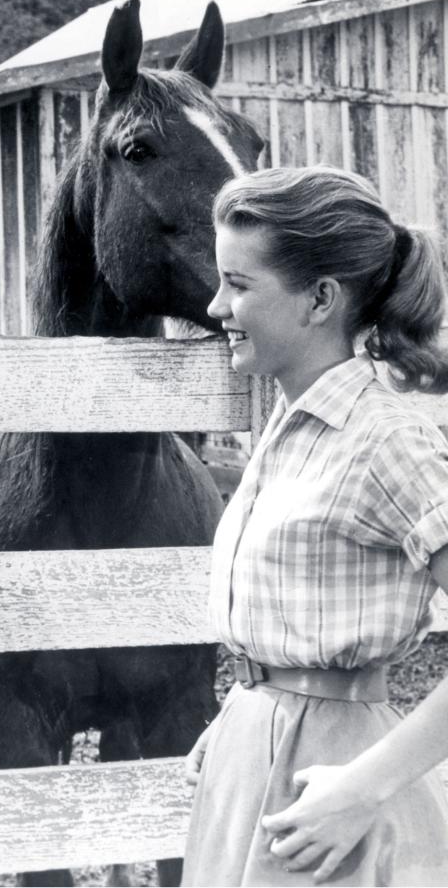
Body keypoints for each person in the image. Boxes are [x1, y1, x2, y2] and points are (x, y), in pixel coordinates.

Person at [182, 164, 448, 886]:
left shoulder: (387, 438)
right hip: (251, 760)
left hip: (334, 787)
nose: (215, 306)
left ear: (320, 299)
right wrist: (243, 720)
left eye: (239, 285)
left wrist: (361, 791)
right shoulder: (284, 420)